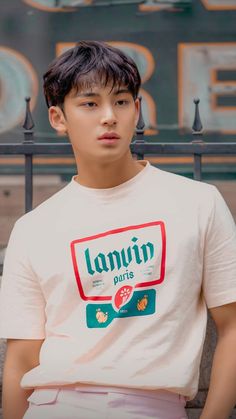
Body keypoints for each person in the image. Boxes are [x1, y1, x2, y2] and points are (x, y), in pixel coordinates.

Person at [1, 40, 236, 419]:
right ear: (58, 118)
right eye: (90, 103)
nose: (109, 116)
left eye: (122, 101)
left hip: (149, 407)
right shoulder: (33, 228)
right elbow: (21, 359)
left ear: (137, 109)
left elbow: (233, 327)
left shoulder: (198, 203)